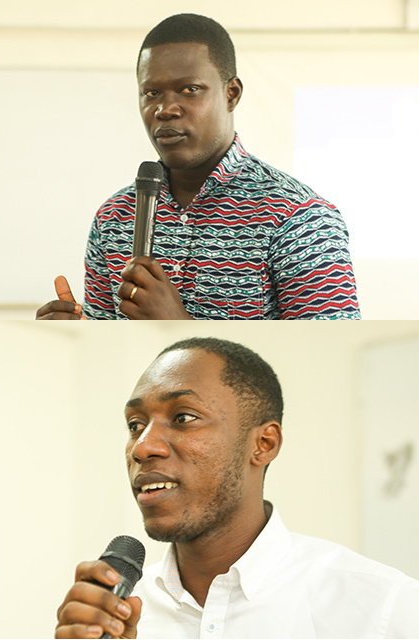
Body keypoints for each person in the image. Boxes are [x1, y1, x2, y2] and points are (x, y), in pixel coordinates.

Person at [54, 337, 419, 638]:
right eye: (135, 424)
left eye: (183, 418)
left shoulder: (383, 607)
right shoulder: (116, 616)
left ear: (262, 444)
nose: (142, 447)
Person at [36, 14, 359, 320]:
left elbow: (332, 358)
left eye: (189, 89)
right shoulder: (114, 217)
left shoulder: (298, 214)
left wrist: (179, 324)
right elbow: (111, 351)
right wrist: (80, 338)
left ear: (231, 94)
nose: (165, 109)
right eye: (151, 93)